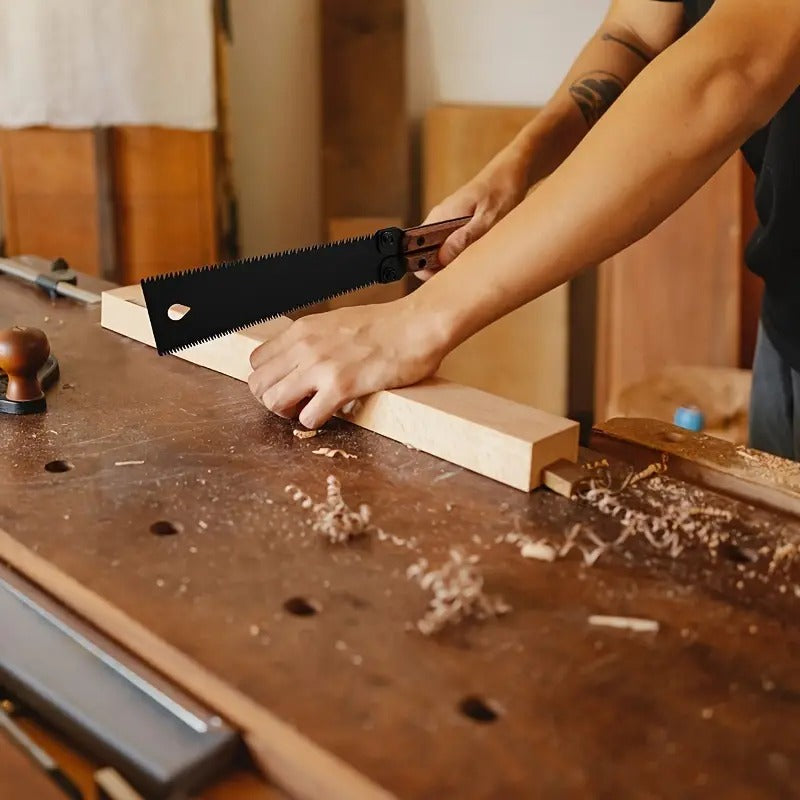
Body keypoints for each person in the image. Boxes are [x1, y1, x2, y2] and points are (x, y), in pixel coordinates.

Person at [249, 0, 800, 458]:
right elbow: (635, 30)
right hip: (785, 325)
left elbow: (731, 71)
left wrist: (416, 323)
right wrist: (511, 171)